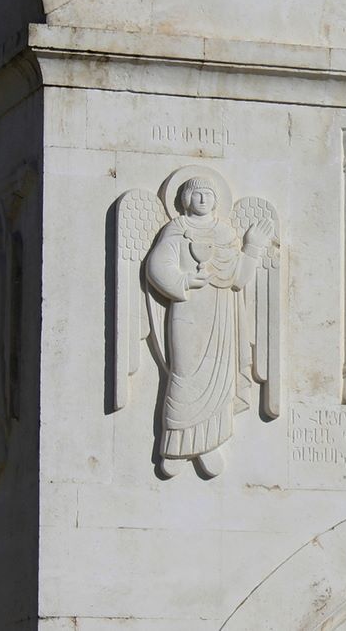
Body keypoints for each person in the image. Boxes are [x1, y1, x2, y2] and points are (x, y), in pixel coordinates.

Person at [145, 176, 275, 477]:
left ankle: (208, 444)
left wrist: (253, 247)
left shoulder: (225, 233)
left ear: (217, 201)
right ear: (185, 199)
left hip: (221, 314)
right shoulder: (176, 229)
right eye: (196, 193)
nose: (203, 199)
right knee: (184, 374)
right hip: (187, 311)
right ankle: (175, 445)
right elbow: (156, 266)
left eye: (208, 194)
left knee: (220, 378)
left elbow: (238, 279)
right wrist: (184, 280)